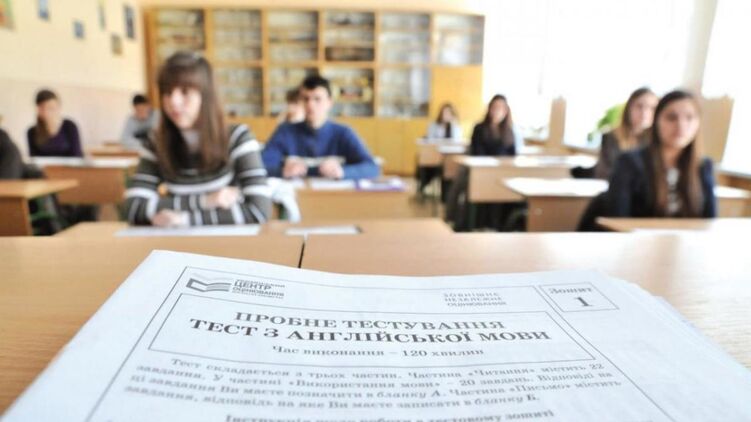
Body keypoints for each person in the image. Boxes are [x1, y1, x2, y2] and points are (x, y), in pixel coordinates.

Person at [124, 52, 271, 227]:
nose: (174, 101)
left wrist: (184, 219)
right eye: (167, 92)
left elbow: (258, 211)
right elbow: (133, 207)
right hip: (176, 242)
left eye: (185, 92)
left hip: (227, 242)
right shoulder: (155, 143)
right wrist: (205, 201)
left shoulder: (238, 137)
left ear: (206, 96)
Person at [578, 90, 716, 230]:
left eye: (690, 118)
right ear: (656, 121)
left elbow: (709, 224)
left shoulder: (704, 166)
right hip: (633, 241)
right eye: (671, 117)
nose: (681, 125)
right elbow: (619, 222)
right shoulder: (628, 162)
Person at [261, 75, 379, 180]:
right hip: (296, 194)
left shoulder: (344, 133)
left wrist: (343, 171)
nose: (310, 105)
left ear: (329, 103)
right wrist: (281, 171)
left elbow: (372, 168)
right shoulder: (285, 132)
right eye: (306, 99)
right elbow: (260, 167)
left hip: (332, 196)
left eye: (317, 99)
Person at [590, 88, 658, 179]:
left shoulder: (658, 140)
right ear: (629, 108)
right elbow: (605, 172)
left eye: (652, 108)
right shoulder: (611, 136)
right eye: (639, 106)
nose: (645, 112)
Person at [417, 103, 463, 196]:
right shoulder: (433, 125)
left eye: (449, 113)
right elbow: (430, 141)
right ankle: (423, 187)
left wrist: (452, 124)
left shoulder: (455, 127)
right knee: (429, 168)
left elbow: (457, 141)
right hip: (434, 157)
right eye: (444, 113)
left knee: (450, 170)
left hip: (449, 158)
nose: (446, 115)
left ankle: (447, 195)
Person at [26, 89, 83, 157]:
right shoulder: (32, 132)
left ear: (58, 107)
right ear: (38, 109)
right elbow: (34, 159)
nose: (47, 112)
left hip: (69, 164)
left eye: (51, 108)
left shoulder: (70, 126)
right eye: (43, 108)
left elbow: (77, 156)